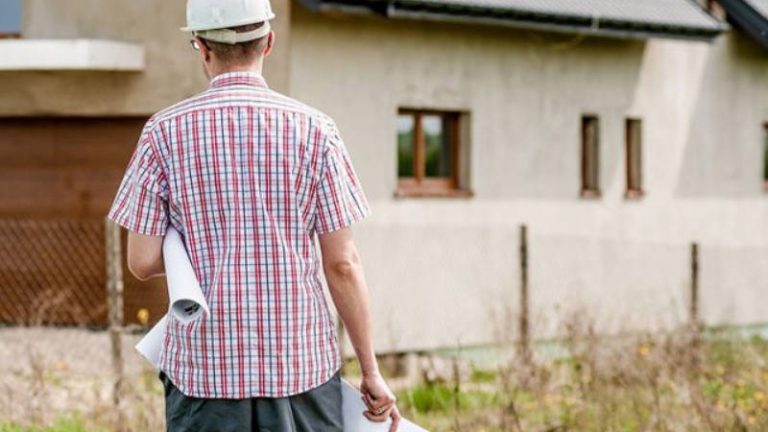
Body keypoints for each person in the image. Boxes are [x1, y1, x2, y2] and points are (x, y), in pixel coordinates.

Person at [107, 0, 399, 430]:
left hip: (205, 377)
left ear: (201, 47)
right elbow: (342, 263)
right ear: (268, 43)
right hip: (301, 372)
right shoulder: (317, 131)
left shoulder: (163, 133)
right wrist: (370, 371)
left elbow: (142, 261)